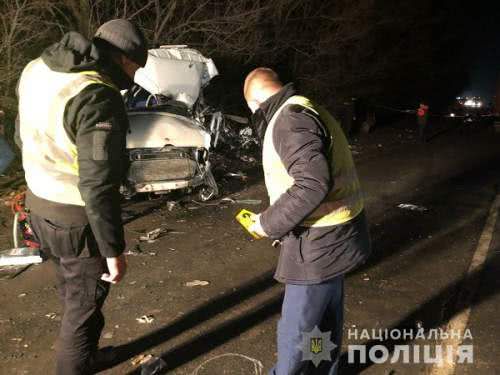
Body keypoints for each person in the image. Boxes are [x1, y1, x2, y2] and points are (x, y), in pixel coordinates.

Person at [16, 19, 148, 374]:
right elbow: (98, 184)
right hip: (75, 219)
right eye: (135, 66)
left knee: (73, 293)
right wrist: (113, 250)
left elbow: (21, 133)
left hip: (39, 205)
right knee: (83, 306)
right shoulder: (97, 95)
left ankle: (86, 356)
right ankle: (76, 363)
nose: (134, 75)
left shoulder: (39, 66)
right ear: (124, 59)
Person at [244, 68, 371, 374]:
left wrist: (267, 224)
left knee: (297, 334)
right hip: (338, 237)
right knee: (323, 327)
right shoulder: (308, 107)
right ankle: (322, 368)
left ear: (256, 100)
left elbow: (312, 184)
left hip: (318, 248)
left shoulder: (289, 118)